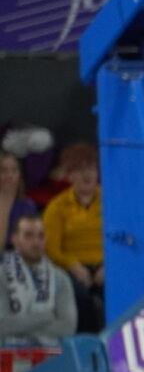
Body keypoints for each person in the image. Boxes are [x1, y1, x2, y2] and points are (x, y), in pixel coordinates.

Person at [41, 142, 102, 333]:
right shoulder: (57, 207)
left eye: (91, 168)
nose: (87, 175)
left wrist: (110, 265)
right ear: (69, 175)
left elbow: (124, 236)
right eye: (80, 169)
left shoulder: (112, 199)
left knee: (121, 289)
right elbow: (51, 249)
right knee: (80, 296)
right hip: (71, 268)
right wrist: (73, 265)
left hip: (106, 266)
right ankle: (88, 347)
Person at [0, 213, 76, 345]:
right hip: (8, 358)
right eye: (28, 235)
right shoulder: (2, 276)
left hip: (51, 359)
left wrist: (21, 328)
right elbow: (3, 326)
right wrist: (45, 317)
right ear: (15, 239)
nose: (36, 242)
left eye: (40, 236)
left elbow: (68, 328)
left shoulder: (61, 279)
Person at [0, 150, 37, 250]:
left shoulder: (27, 205)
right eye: (3, 170)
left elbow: (29, 246)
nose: (10, 175)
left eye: (14, 170)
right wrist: (5, 204)